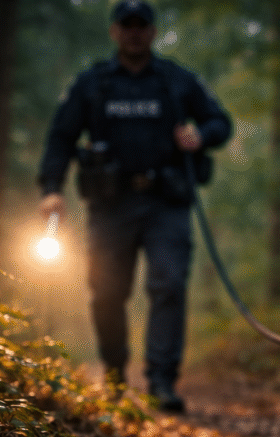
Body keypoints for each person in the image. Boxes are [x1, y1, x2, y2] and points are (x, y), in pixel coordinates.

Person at [37, 0, 231, 412]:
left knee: (169, 286)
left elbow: (220, 121)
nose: (134, 32)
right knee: (106, 292)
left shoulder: (178, 81)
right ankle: (113, 377)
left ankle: (161, 382)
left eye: (142, 25)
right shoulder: (91, 84)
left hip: (167, 203)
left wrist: (200, 135)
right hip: (109, 207)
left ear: (153, 31)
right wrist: (51, 189)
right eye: (127, 25)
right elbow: (61, 137)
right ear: (114, 31)